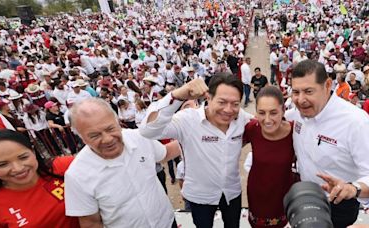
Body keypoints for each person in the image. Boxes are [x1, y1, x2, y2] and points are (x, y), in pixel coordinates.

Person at [139, 74, 253, 228]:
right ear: (209, 97)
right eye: (222, 102)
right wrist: (178, 95)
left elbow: (265, 125)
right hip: (200, 196)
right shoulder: (188, 120)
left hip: (231, 192)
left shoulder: (242, 118)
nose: (228, 110)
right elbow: (147, 130)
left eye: (235, 104)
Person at [64, 98, 181, 228]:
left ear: (118, 122)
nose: (107, 139)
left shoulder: (140, 137)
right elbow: (91, 223)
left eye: (110, 129)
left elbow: (165, 153)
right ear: (81, 137)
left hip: (167, 223)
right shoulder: (76, 175)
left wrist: (193, 135)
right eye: (95, 135)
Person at [285, 60, 369, 228]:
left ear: (328, 85)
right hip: (304, 199)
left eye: (308, 91)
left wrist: (352, 189)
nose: (301, 100)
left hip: (339, 203)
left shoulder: (356, 122)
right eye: (295, 92)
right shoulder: (296, 114)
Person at [0, 130, 79, 227]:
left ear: (33, 151)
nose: (18, 168)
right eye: (2, 164)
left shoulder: (65, 166)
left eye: (23, 157)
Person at [244, 86, 296, 228]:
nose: (267, 120)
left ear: (283, 111)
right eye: (261, 113)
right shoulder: (251, 129)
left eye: (273, 113)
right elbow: (227, 145)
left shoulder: (296, 132)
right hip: (257, 196)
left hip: (283, 197)